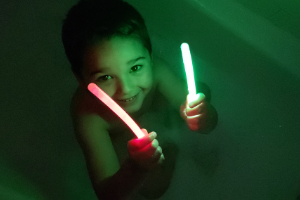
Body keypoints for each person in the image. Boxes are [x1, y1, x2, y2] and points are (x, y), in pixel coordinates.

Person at [61, 0, 218, 199]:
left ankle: (175, 131)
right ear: (81, 81)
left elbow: (210, 124)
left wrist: (204, 117)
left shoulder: (157, 72)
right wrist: (136, 167)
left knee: (200, 94)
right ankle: (171, 151)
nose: (126, 89)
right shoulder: (89, 116)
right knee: (154, 189)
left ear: (150, 56)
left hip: (155, 109)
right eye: (105, 77)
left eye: (135, 67)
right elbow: (107, 194)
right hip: (124, 141)